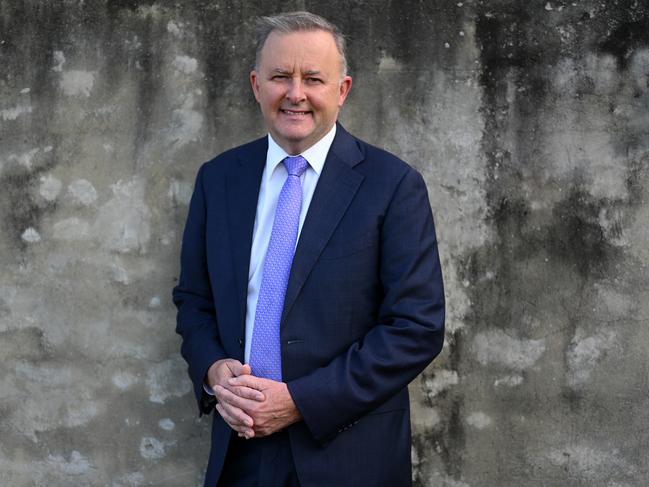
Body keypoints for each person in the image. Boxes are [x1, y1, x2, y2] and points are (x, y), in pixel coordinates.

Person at [173, 11, 445, 487]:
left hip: (348, 455)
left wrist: (300, 402)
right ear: (257, 85)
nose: (295, 93)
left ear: (341, 90)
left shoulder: (393, 185)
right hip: (240, 451)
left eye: (313, 78)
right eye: (281, 76)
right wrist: (214, 372)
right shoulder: (219, 179)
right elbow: (195, 302)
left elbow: (415, 328)